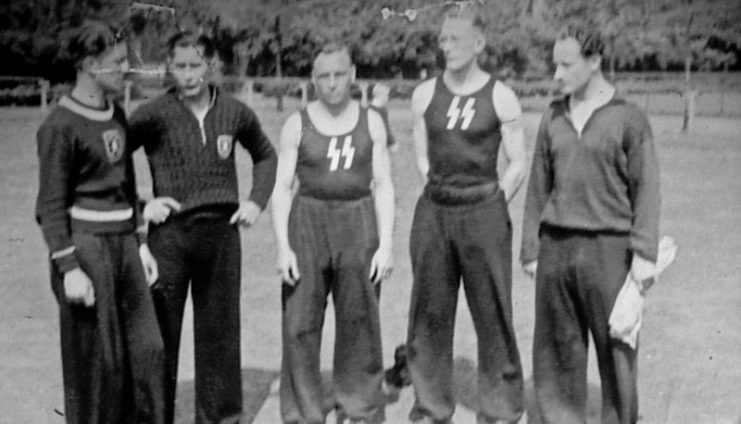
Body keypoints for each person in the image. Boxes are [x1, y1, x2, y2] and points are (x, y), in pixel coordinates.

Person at [128, 31, 278, 424]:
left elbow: (265, 154)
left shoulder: (235, 112)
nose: (189, 74)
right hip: (170, 237)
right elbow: (111, 163)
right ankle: (153, 417)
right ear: (169, 67)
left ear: (210, 66)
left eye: (197, 65)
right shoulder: (152, 113)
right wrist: (144, 205)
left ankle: (219, 417)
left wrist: (255, 201)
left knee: (220, 335)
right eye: (181, 66)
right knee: (161, 336)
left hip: (222, 236)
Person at [520, 23, 660, 424]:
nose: (556, 75)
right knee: (557, 351)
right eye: (554, 65)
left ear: (594, 61)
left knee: (616, 348)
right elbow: (538, 184)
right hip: (557, 248)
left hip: (609, 251)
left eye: (566, 65)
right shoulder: (554, 116)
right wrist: (532, 247)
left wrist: (644, 255)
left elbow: (647, 188)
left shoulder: (629, 119)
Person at [35, 20, 165, 424]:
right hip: (86, 247)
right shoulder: (60, 125)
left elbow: (127, 186)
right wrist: (69, 268)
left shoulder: (116, 114)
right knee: (98, 365)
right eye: (117, 62)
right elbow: (50, 207)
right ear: (90, 64)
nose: (125, 69)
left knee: (148, 351)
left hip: (125, 245)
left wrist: (141, 242)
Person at [405, 6, 527, 424]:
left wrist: (493, 202)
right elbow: (421, 153)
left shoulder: (500, 95)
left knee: (492, 312)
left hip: (483, 211)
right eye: (442, 39)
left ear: (479, 43)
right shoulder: (423, 94)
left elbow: (518, 164)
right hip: (436, 211)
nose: (447, 46)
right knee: (429, 312)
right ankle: (431, 405)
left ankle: (501, 407)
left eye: (456, 39)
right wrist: (438, 186)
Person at [271, 42, 395, 424]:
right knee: (300, 322)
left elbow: (385, 184)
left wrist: (386, 244)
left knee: (359, 319)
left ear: (353, 75)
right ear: (313, 80)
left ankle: (357, 405)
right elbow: (281, 188)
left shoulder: (371, 120)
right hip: (307, 221)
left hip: (357, 221)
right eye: (323, 76)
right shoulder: (298, 123)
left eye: (339, 74)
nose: (332, 83)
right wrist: (282, 247)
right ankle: (302, 411)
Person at [369, 82, 398, 151]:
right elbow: (385, 128)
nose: (387, 98)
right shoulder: (381, 110)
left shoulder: (368, 108)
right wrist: (392, 142)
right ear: (380, 95)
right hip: (380, 144)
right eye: (386, 95)